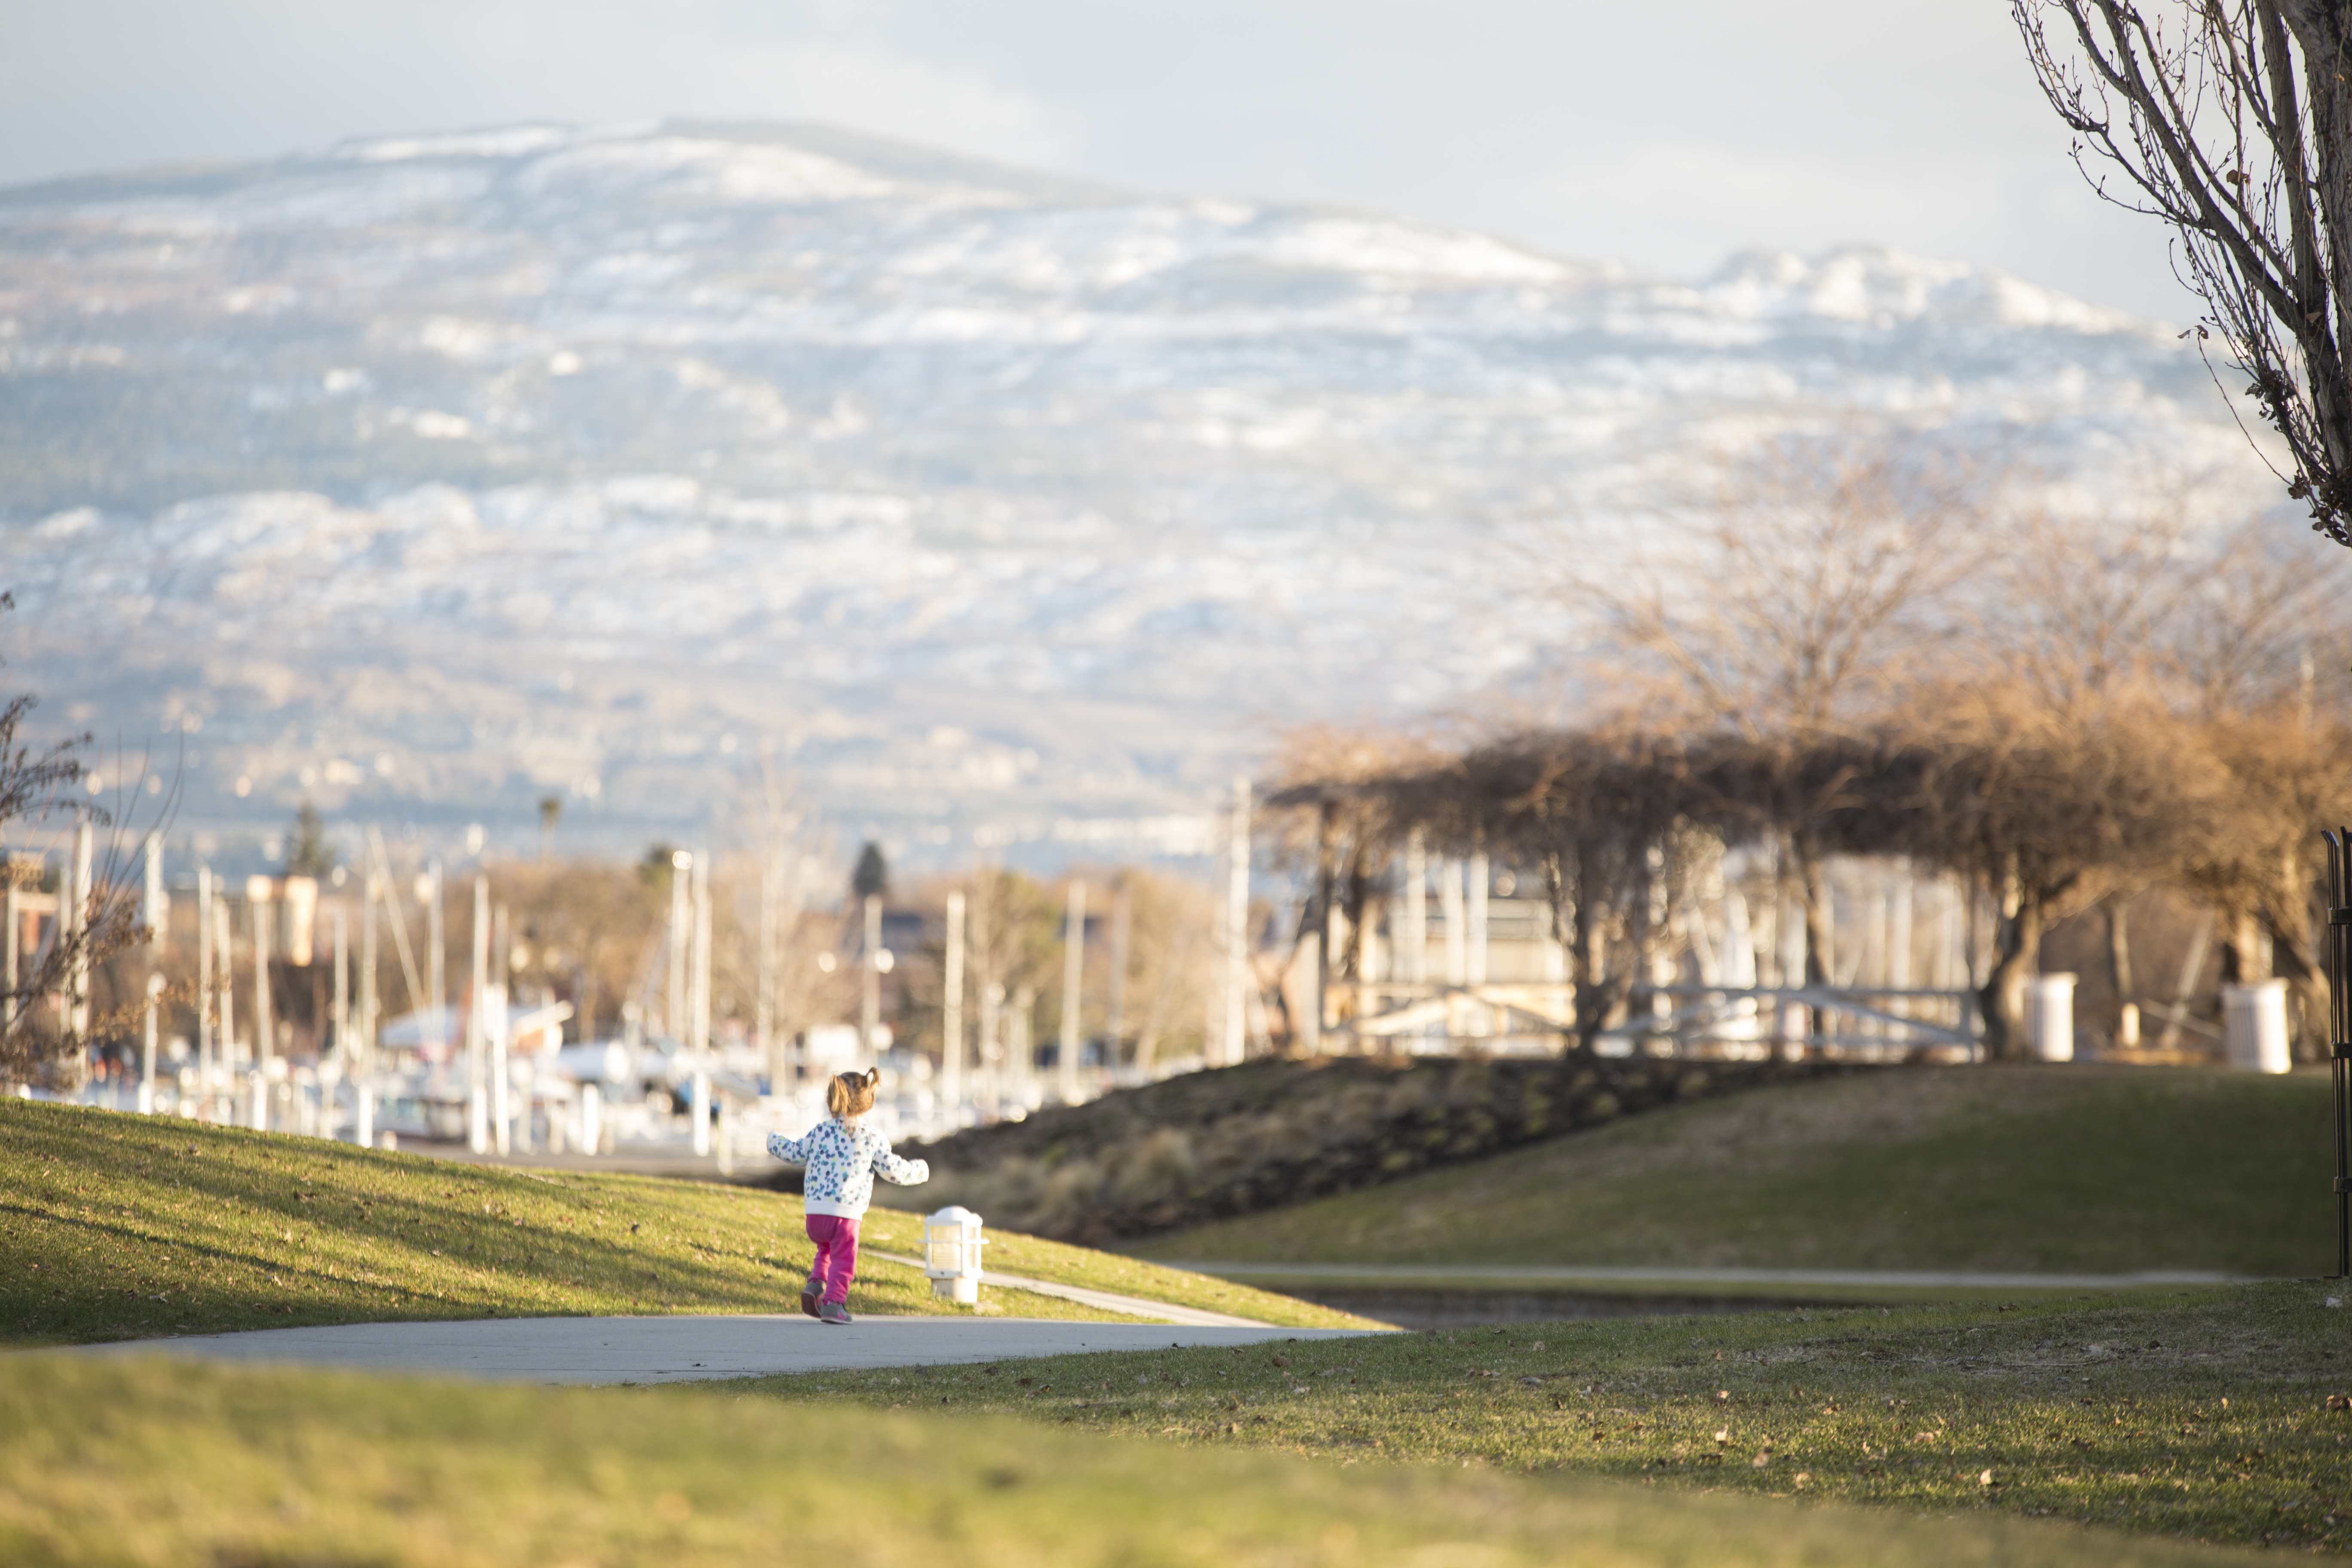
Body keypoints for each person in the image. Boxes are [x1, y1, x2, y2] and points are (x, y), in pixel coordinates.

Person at [766, 1067, 929, 1324]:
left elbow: (796, 1153)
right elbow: (894, 1171)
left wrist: (773, 1140)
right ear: (868, 1101)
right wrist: (920, 1170)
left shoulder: (820, 1132)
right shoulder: (871, 1137)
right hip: (845, 1215)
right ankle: (834, 1303)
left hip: (816, 1214)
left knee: (826, 1250)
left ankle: (816, 1284)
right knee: (844, 1259)